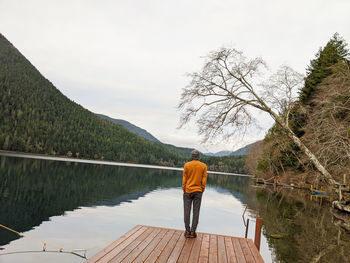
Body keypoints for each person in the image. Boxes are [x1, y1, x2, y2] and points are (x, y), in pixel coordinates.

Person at [182, 149, 207, 238]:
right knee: (196, 212)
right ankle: (193, 231)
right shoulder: (203, 166)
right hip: (198, 191)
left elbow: (184, 178)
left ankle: (187, 230)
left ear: (191, 156)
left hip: (188, 191)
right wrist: (202, 189)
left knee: (186, 211)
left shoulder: (187, 165)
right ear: (198, 157)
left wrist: (184, 188)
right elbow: (204, 180)